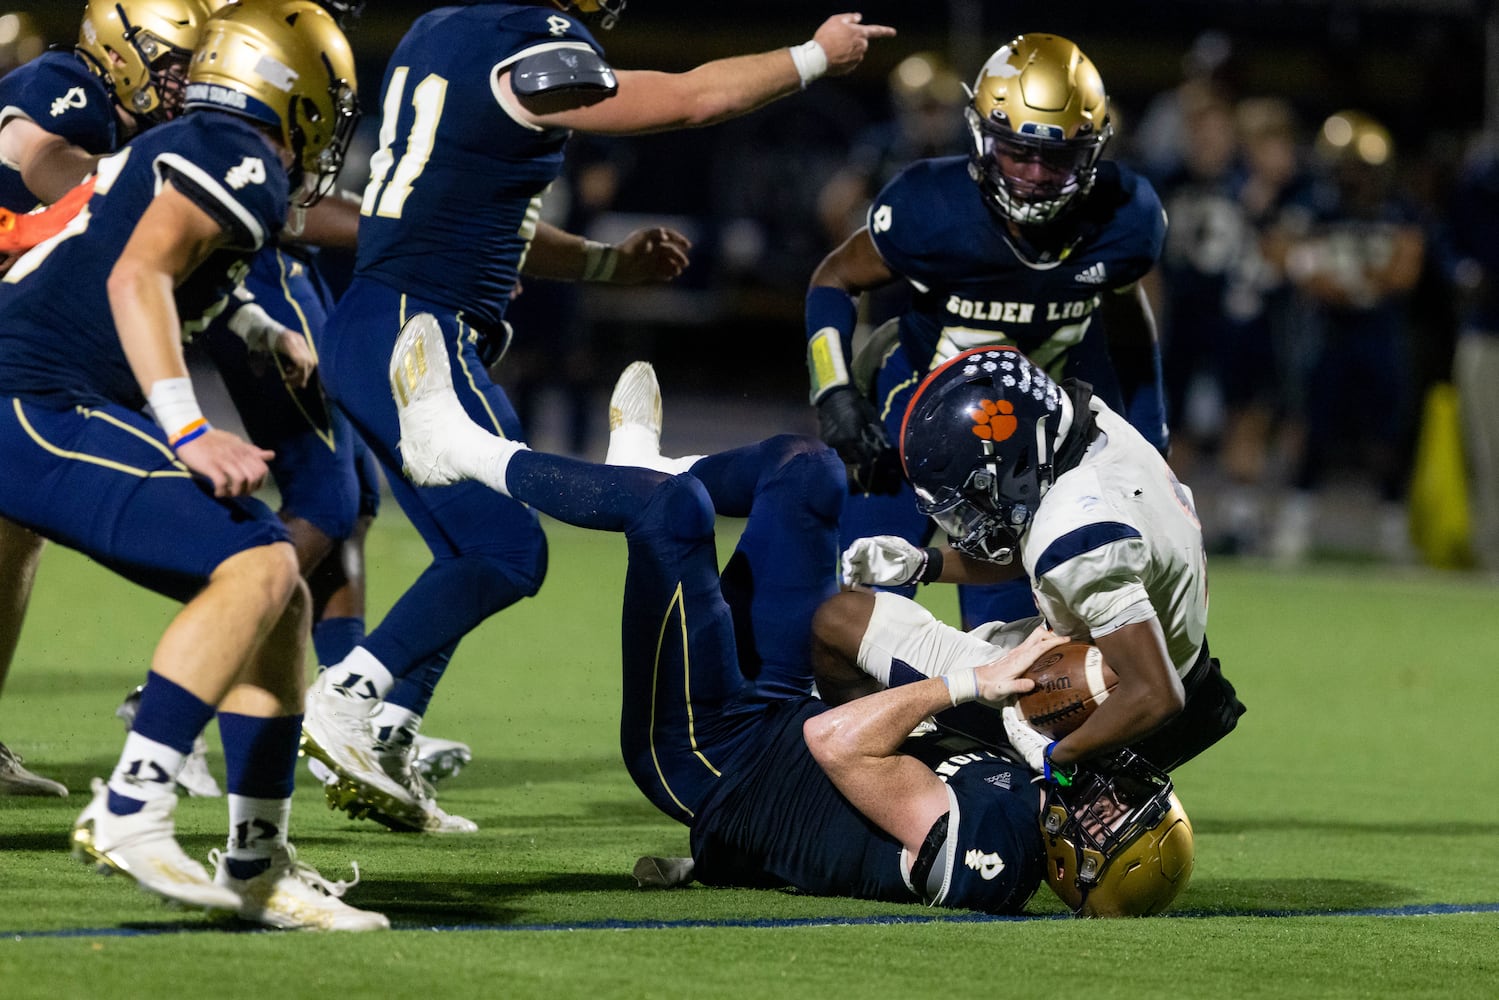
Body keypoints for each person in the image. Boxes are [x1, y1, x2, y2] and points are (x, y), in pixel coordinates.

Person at [302, 0, 897, 832]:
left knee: (469, 548)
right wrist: (812, 55)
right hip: (417, 332)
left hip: (388, 319)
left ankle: (393, 730)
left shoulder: (443, 29)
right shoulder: (529, 46)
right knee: (508, 552)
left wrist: (605, 264)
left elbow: (483, 212)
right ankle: (347, 695)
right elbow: (693, 97)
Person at [383, 312, 1196, 917]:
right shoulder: (1042, 776)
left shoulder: (991, 858)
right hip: (783, 709)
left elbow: (833, 742)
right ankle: (636, 464)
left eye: (1108, 819)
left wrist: (968, 684)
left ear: (1080, 865)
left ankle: (453, 449)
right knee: (806, 471)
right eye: (1134, 796)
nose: (1112, 793)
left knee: (672, 515)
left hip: (715, 763)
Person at [0, 1, 384, 930]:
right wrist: (187, 429)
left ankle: (256, 864)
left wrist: (254, 324)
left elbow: (131, 256)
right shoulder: (236, 154)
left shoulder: (199, 141)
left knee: (279, 595)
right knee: (256, 562)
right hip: (32, 400)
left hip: (40, 394)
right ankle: (133, 806)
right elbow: (136, 275)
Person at [803, 34, 1168, 634]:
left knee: (1010, 643)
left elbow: (1125, 312)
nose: (1032, 175)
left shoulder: (1126, 219)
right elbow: (834, 276)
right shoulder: (932, 204)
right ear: (981, 137)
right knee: (856, 608)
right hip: (913, 406)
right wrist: (834, 390)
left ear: (1094, 152)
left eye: (1057, 159)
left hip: (1032, 443)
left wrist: (1149, 434)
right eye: (1017, 152)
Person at [814, 347, 1245, 780]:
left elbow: (1155, 693)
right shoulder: (1095, 430)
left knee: (839, 620)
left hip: (1102, 709)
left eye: (977, 493)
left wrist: (1055, 758)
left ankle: (910, 769)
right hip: (1169, 669)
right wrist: (924, 564)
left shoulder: (1073, 531)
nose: (969, 517)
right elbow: (1035, 545)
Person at [0, 0, 220, 799]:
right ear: (118, 48)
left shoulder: (139, 135)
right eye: (172, 62)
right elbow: (36, 158)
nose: (185, 81)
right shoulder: (63, 83)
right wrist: (130, 186)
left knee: (15, 534)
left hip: (22, 347)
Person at [1268, 111, 1426, 564]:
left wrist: (1346, 281)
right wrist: (1333, 281)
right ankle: (1297, 520)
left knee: (1388, 432)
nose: (1360, 177)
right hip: (1328, 332)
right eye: (1354, 167)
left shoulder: (1396, 207)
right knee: (1314, 425)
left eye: (1367, 168)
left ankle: (1393, 527)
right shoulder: (1314, 203)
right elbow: (1284, 254)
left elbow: (1405, 270)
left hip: (1379, 334)